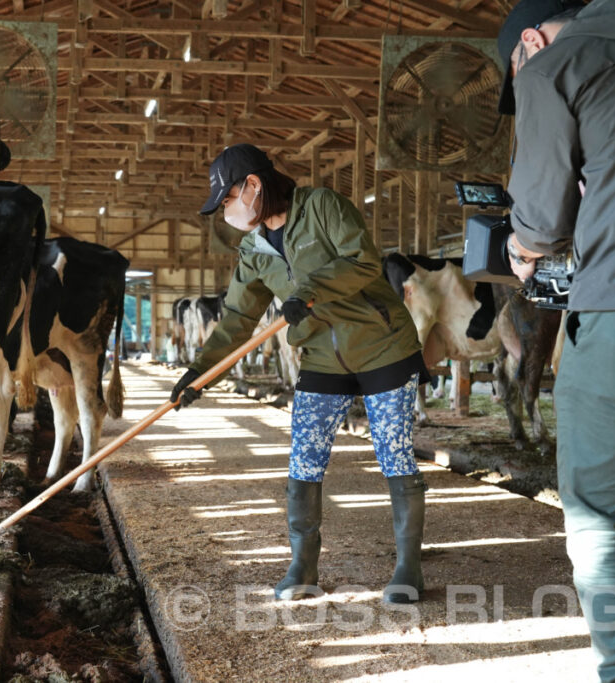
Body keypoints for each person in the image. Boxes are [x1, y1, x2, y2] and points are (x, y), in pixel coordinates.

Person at [170, 143, 430, 603]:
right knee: (304, 459)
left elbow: (362, 261)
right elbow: (235, 318)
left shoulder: (322, 207)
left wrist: (308, 290)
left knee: (395, 454)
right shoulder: (252, 250)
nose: (226, 211)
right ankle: (303, 567)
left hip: (382, 346)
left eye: (227, 199)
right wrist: (199, 373)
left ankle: (408, 567)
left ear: (253, 185)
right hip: (322, 358)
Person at [498, 0, 615, 679]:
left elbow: (539, 218)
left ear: (531, 42)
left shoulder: (553, 69)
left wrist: (520, 244)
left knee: (599, 521)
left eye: (515, 67)